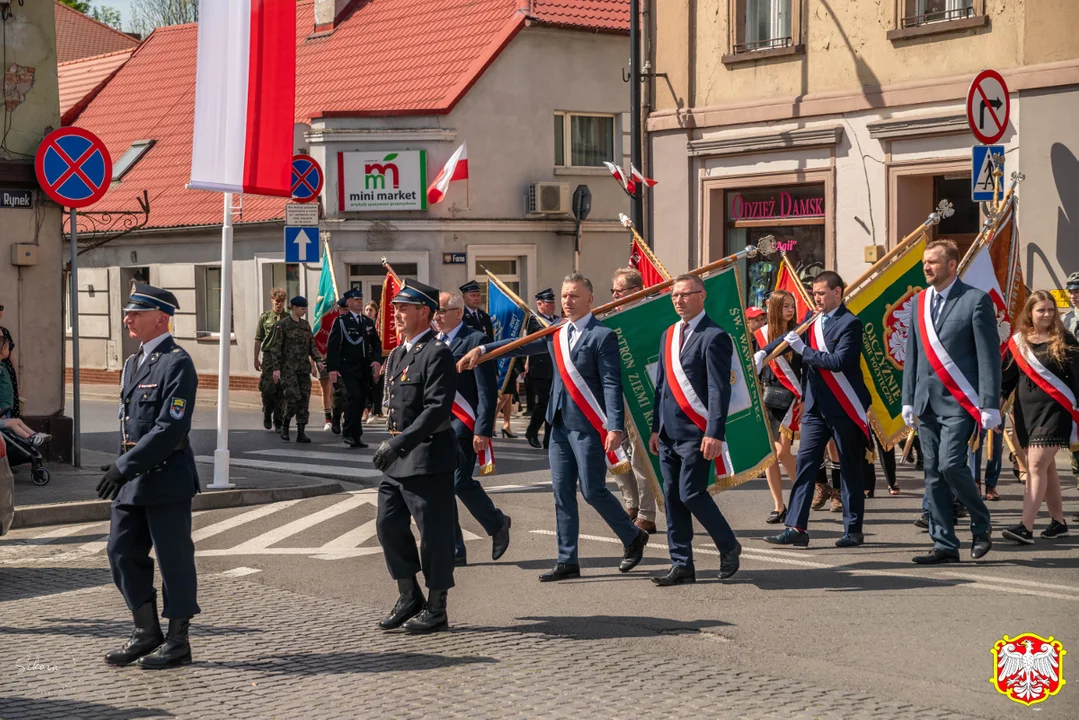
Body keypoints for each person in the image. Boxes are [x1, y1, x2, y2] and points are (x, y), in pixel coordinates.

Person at [459, 273, 648, 581]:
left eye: (574, 296)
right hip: (558, 425)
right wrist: (482, 350)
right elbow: (518, 346)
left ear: (589, 299)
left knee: (592, 491)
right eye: (564, 296)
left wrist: (615, 426)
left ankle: (632, 537)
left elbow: (612, 383)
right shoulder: (555, 332)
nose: (567, 302)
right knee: (561, 493)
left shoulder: (602, 336)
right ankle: (567, 560)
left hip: (588, 425)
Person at [99, 283, 199, 669]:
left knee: (174, 560)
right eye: (128, 313)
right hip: (132, 481)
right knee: (120, 551)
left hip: (166, 476)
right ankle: (146, 632)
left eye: (135, 314)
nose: (127, 319)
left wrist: (123, 467)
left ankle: (178, 640)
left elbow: (169, 429)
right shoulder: (132, 362)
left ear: (160, 318)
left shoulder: (177, 362)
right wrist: (123, 469)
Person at [902, 239, 998, 564]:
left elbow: (988, 358)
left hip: (960, 403)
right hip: (926, 403)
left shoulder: (975, 300)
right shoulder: (918, 302)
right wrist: (908, 400)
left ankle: (981, 522)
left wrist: (989, 404)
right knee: (932, 473)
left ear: (952, 264)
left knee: (950, 465)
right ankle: (944, 544)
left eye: (933, 261)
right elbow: (912, 357)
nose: (926, 267)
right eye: (925, 262)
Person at [761, 271, 871, 549]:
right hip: (814, 406)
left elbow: (838, 361)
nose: (817, 298)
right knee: (807, 465)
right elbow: (789, 337)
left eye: (822, 293)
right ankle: (796, 527)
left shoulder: (850, 323)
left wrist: (805, 352)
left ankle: (853, 528)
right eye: (814, 293)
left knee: (849, 468)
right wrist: (764, 352)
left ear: (838, 292)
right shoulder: (812, 319)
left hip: (843, 405)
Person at [372, 279, 458, 633]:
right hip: (397, 460)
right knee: (387, 524)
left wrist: (399, 443)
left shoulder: (436, 353)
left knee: (434, 535)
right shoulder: (399, 354)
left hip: (426, 456)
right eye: (395, 309)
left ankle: (437, 607)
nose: (396, 315)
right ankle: (409, 595)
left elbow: (437, 409)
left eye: (404, 308)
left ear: (424, 312)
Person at [649, 274, 742, 585]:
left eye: (686, 294)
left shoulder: (714, 336)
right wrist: (654, 428)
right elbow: (660, 386)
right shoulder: (668, 334)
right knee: (672, 497)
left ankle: (728, 546)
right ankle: (681, 563)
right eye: (675, 295)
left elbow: (719, 389)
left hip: (696, 431)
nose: (679, 300)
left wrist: (715, 432)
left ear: (702, 296)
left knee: (691, 493)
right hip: (667, 433)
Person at [434, 292, 512, 566]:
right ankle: (456, 550)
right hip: (438, 426)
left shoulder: (476, 340)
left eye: (442, 311)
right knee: (442, 489)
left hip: (465, 425)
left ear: (458, 312)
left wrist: (483, 429)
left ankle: (497, 523)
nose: (437, 316)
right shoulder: (434, 342)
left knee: (458, 482)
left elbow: (486, 390)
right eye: (435, 311)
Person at [999, 291, 1075, 543]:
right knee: (1047, 467)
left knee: (1034, 466)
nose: (1047, 314)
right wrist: (992, 411)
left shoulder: (1065, 340)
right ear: (1030, 313)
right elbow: (1006, 382)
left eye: (1051, 310)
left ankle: (1025, 526)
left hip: (1056, 413)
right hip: (1025, 415)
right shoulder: (1018, 342)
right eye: (1041, 310)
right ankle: (1058, 521)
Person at [610, 268, 658, 534]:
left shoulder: (650, 315)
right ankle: (631, 502)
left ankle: (647, 513)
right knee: (617, 451)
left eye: (620, 291)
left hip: (642, 393)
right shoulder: (609, 318)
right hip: (616, 394)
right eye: (613, 291)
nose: (615, 296)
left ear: (637, 291)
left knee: (640, 456)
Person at [753, 290, 801, 524]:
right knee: (770, 456)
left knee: (782, 452)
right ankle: (778, 505)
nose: (790, 310)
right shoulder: (759, 336)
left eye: (792, 306)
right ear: (775, 309)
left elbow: (806, 369)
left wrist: (804, 398)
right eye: (785, 306)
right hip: (767, 396)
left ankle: (803, 494)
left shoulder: (800, 332)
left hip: (792, 397)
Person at [326, 288, 382, 448]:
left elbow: (376, 344)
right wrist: (332, 368)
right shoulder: (341, 322)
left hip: (363, 367)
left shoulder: (367, 322)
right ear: (348, 303)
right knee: (354, 397)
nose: (359, 302)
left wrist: (377, 361)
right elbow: (333, 346)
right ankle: (348, 432)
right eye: (355, 300)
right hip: (347, 367)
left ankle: (356, 435)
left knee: (361, 400)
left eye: (360, 299)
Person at [272, 296, 322, 444]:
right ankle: (285, 425)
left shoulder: (305, 325)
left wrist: (318, 361)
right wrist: (276, 369)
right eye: (302, 308)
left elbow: (312, 345)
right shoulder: (283, 325)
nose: (304, 311)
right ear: (293, 307)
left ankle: (301, 432)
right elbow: (276, 348)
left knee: (304, 401)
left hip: (303, 369)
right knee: (293, 398)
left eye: (305, 308)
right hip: (288, 369)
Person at [524, 288, 558, 450]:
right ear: (539, 304)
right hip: (540, 369)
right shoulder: (534, 321)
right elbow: (540, 336)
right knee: (544, 402)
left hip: (556, 369)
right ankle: (532, 431)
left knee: (554, 403)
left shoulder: (558, 320)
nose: (552, 306)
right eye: (548, 303)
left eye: (553, 302)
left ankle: (549, 439)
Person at [254, 288, 287, 432]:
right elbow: (258, 339)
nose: (279, 304)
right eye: (277, 301)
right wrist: (255, 358)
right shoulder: (265, 318)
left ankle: (278, 420)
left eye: (282, 301)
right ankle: (267, 412)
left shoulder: (288, 318)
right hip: (268, 357)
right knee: (267, 389)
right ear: (272, 300)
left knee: (281, 390)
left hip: (284, 357)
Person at [363, 301, 384, 424]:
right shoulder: (364, 324)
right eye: (366, 310)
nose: (368, 312)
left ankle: (376, 411)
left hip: (379, 359)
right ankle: (367, 411)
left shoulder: (380, 325)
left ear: (376, 311)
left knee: (377, 387)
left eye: (371, 309)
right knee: (366, 386)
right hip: (367, 359)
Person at [0, 303, 20, 418]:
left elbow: (11, 356)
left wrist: (17, 383)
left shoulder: (5, 332)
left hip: (8, 374)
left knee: (11, 409)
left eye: (1, 308)